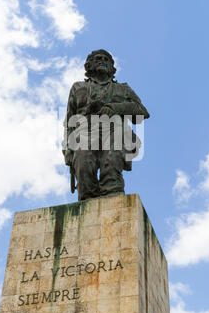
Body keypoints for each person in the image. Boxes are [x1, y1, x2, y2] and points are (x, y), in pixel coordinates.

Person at [62, 49, 150, 201]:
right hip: (84, 133)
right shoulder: (78, 87)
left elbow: (142, 113)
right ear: (88, 65)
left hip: (114, 132)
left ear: (112, 68)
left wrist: (114, 108)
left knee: (112, 176)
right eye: (97, 59)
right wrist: (67, 149)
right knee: (84, 168)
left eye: (106, 59)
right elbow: (70, 121)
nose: (102, 60)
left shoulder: (123, 89)